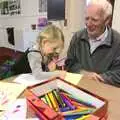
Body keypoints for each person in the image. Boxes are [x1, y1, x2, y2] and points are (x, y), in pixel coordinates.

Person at [65, 0, 120, 87]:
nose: (88, 24)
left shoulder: (117, 42)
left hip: (104, 94)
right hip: (78, 90)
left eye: (94, 20)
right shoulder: (77, 37)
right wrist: (82, 73)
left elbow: (118, 74)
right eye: (87, 18)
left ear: (107, 20)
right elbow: (69, 64)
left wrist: (98, 78)